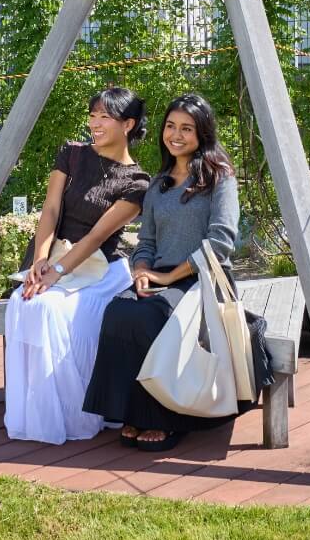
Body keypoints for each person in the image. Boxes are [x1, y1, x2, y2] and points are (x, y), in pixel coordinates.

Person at [83, 92, 242, 452]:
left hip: (204, 278)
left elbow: (221, 242)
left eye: (187, 128)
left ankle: (168, 419)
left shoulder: (221, 178)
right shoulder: (159, 184)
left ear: (203, 133)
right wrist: (141, 269)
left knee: (154, 315)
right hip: (159, 276)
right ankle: (134, 412)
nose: (176, 135)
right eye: (171, 126)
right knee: (120, 309)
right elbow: (147, 241)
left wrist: (169, 278)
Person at [3, 87, 152, 444]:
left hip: (100, 268)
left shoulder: (138, 183)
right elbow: (51, 209)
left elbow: (97, 237)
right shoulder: (71, 153)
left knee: (51, 309)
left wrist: (57, 273)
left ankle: (75, 416)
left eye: (105, 117)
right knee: (22, 302)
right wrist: (40, 261)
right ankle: (37, 411)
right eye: (93, 115)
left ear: (128, 124)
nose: (95, 123)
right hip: (54, 255)